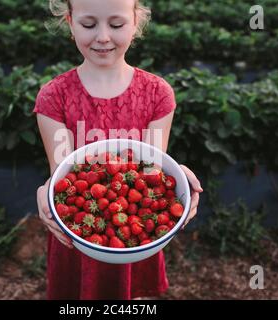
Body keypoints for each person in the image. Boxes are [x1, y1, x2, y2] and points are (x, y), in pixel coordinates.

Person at [33, 0, 203, 300]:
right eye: (88, 24)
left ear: (135, 21)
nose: (102, 36)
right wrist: (46, 189)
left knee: (130, 297)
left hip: (136, 233)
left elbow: (152, 166)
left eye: (116, 24)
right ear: (70, 22)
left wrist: (178, 177)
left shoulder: (157, 93)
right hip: (80, 231)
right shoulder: (53, 96)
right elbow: (64, 176)